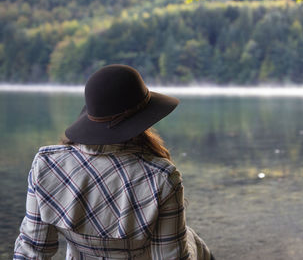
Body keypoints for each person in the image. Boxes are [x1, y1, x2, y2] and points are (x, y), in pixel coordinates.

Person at [14, 64, 214, 260]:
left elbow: (32, 251)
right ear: (144, 119)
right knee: (192, 239)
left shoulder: (47, 165)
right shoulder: (161, 176)